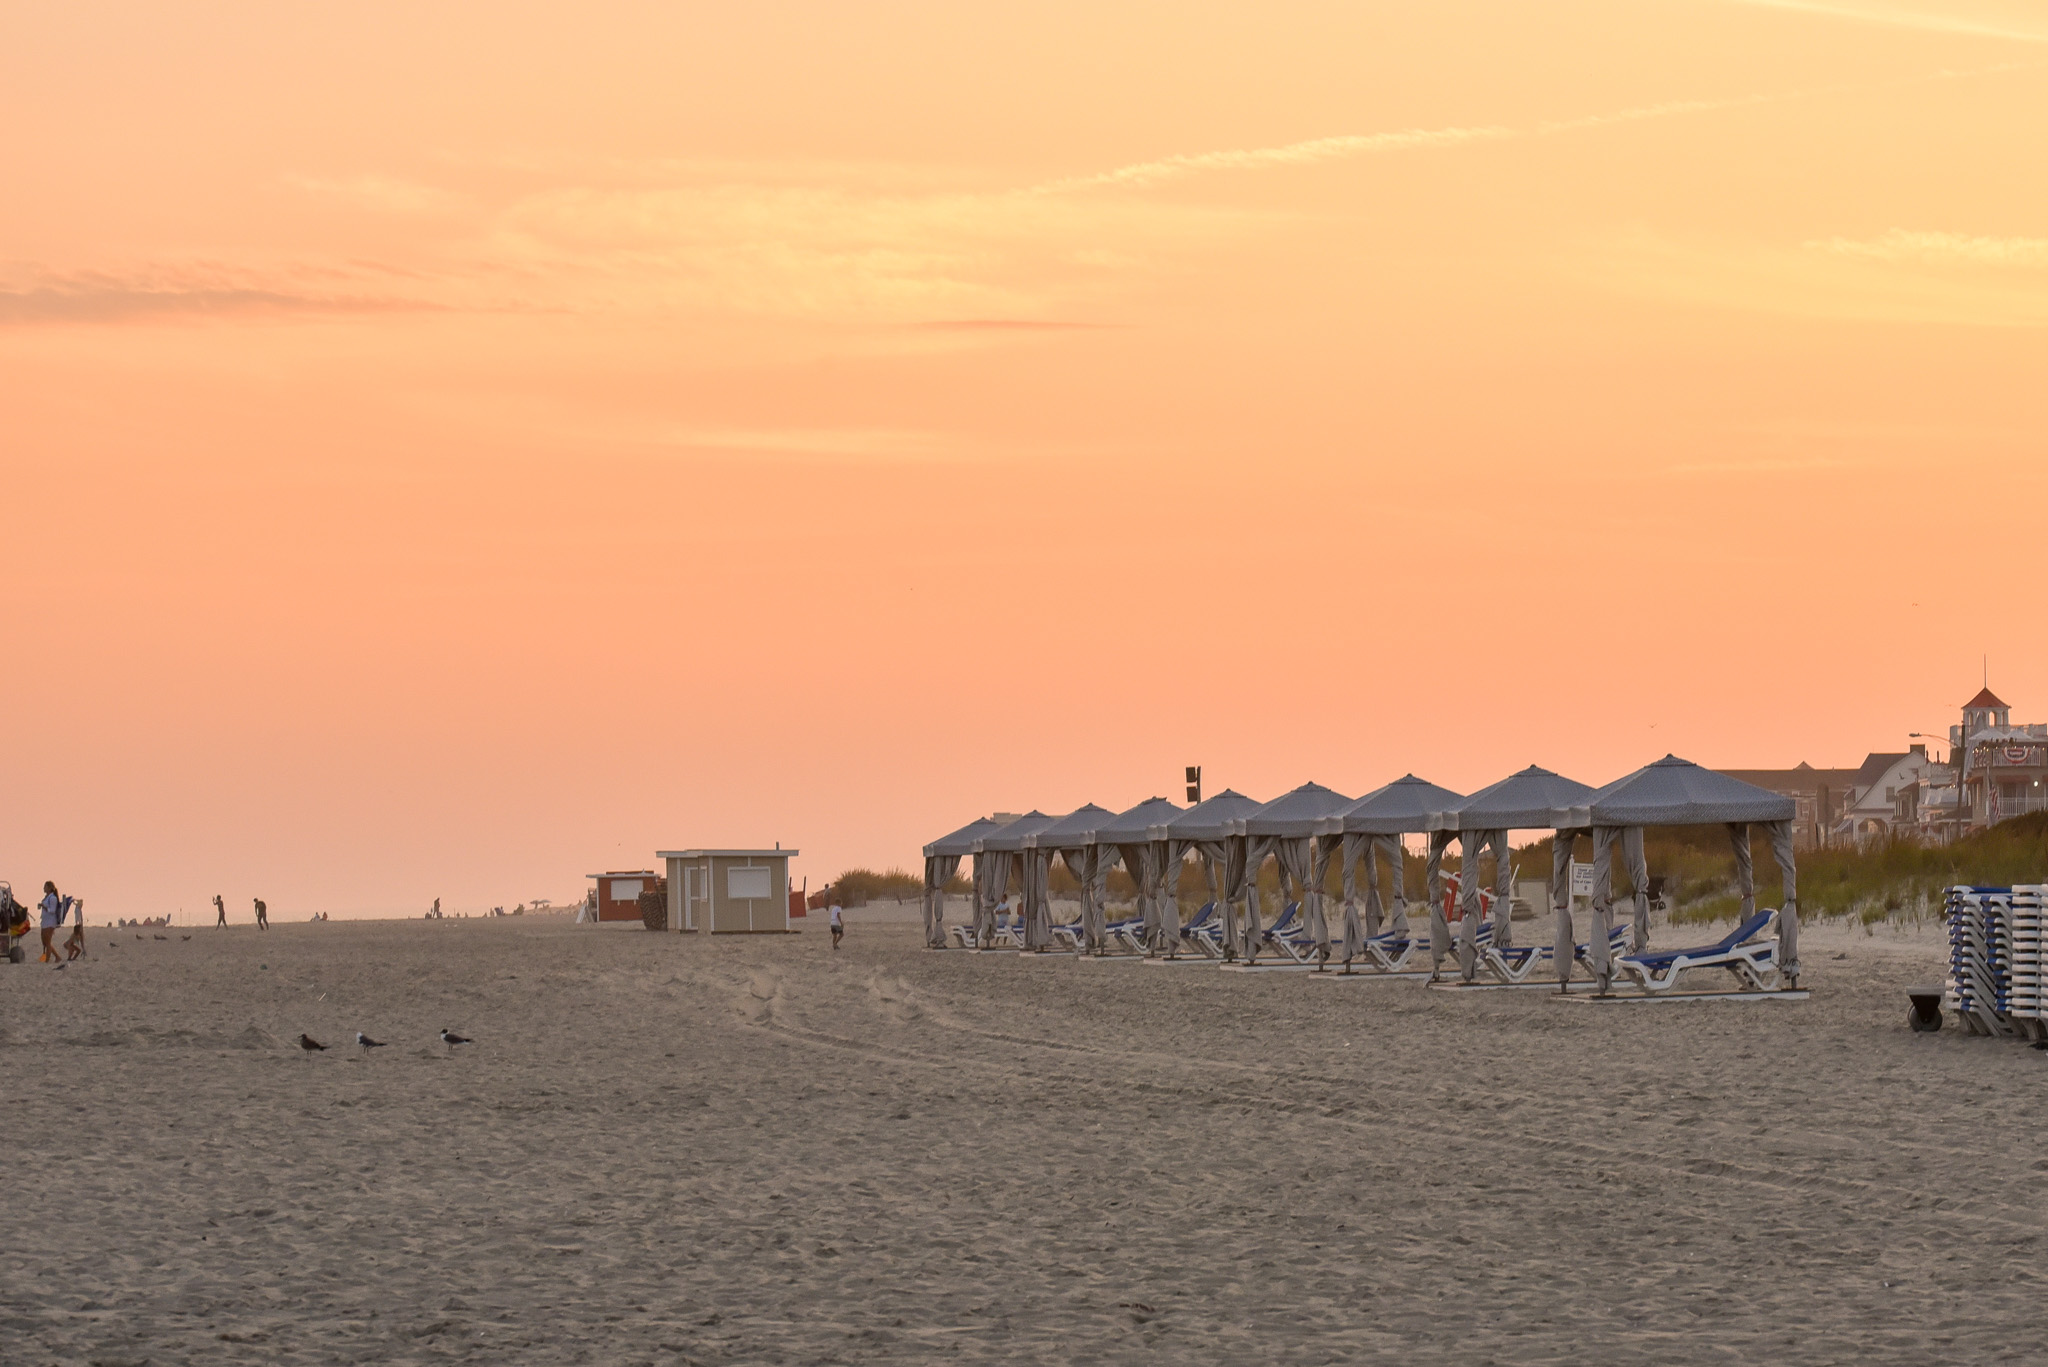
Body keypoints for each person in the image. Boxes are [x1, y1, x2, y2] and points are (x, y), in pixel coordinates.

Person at [38, 881, 73, 963]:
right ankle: (57, 957)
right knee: (44, 941)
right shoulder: (46, 897)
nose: (44, 888)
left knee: (48, 941)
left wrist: (45, 907)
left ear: (49, 888)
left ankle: (47, 959)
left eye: (45, 886)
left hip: (50, 922)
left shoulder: (53, 898)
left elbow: (52, 910)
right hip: (44, 921)